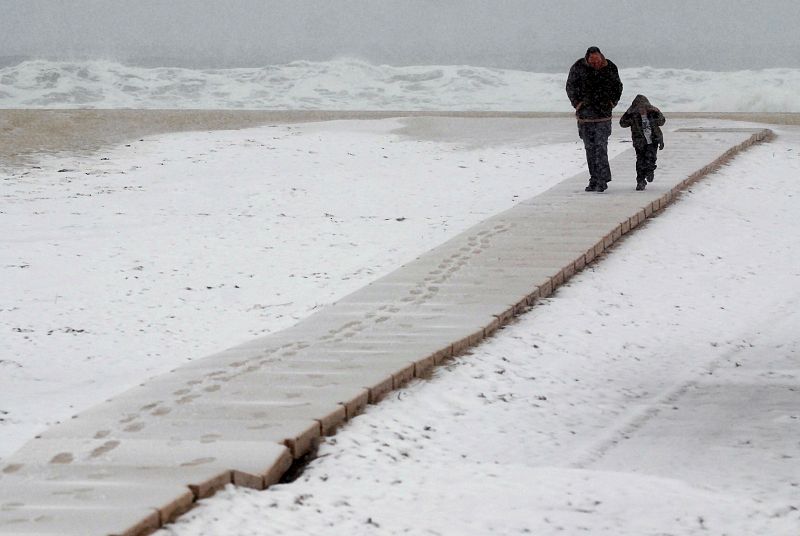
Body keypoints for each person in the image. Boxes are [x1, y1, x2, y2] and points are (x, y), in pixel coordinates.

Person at [566, 46, 623, 192]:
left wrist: (612, 102)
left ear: (601, 57)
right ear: (587, 58)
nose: (595, 64)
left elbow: (618, 86)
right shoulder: (578, 67)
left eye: (597, 60)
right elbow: (570, 86)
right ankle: (594, 179)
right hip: (585, 117)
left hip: (603, 116)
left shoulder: (610, 67)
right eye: (592, 61)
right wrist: (577, 104)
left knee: (601, 147)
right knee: (589, 149)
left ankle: (602, 180)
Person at [619, 94, 666, 190]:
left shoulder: (652, 113)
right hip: (639, 142)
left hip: (653, 140)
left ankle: (650, 171)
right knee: (640, 161)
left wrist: (657, 112)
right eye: (638, 108)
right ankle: (640, 181)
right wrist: (628, 113)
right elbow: (622, 124)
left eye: (643, 107)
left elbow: (662, 122)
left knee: (651, 158)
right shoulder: (633, 116)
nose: (641, 110)